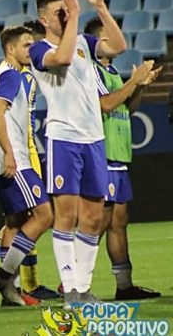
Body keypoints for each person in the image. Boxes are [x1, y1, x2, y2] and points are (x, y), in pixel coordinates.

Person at [29, 0, 127, 307]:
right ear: (44, 19)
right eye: (59, 12)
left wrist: (99, 7)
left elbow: (118, 46)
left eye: (66, 10)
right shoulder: (39, 49)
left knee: (95, 216)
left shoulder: (85, 41)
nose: (66, 15)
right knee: (67, 215)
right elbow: (63, 58)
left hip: (94, 139)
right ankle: (69, 290)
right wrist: (73, 19)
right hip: (64, 139)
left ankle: (84, 288)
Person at [0, 20, 62, 304]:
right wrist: (9, 152)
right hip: (14, 159)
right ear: (10, 49)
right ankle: (4, 276)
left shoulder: (13, 74)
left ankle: (10, 291)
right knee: (45, 215)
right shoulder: (9, 75)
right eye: (26, 45)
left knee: (16, 221)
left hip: (7, 157)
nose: (30, 49)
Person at [84, 17, 162, 301]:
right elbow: (105, 105)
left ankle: (124, 285)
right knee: (99, 221)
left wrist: (139, 86)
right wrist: (133, 81)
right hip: (101, 154)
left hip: (118, 154)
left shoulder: (112, 71)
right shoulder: (90, 70)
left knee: (119, 220)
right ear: (96, 43)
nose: (115, 41)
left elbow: (126, 108)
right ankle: (76, 282)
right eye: (108, 37)